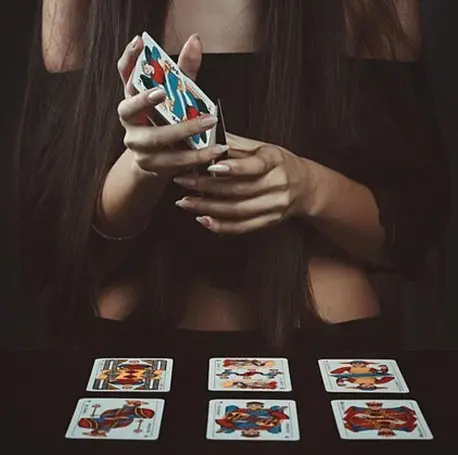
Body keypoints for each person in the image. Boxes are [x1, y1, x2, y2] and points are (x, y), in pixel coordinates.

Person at [14, 0, 449, 352]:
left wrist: (308, 186)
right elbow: (60, 252)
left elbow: (409, 235)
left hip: (326, 338)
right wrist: (141, 166)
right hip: (133, 346)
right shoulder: (80, 9)